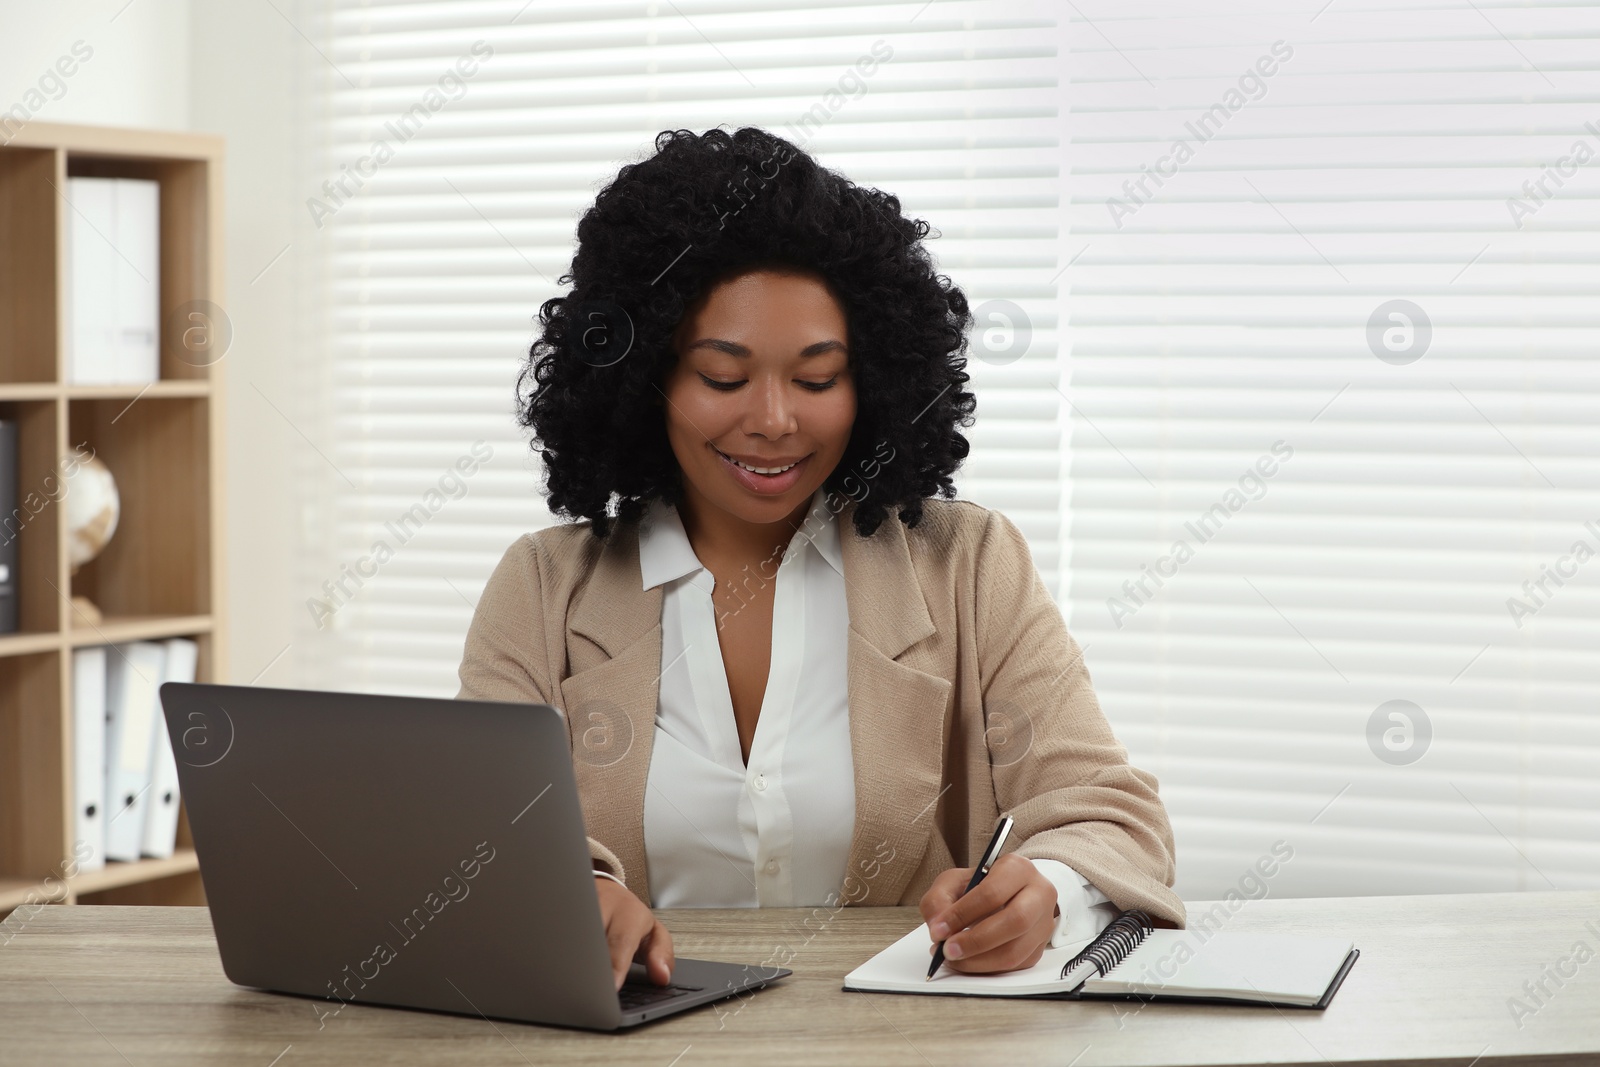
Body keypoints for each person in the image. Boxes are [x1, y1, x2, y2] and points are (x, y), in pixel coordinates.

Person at [456, 126, 1183, 992]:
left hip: (902, 1046)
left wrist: (1050, 888)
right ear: (644, 379)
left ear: (871, 380)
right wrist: (579, 893)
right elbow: (476, 836)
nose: (773, 420)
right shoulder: (543, 588)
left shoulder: (968, 565)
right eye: (724, 378)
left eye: (816, 378)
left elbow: (1112, 813)